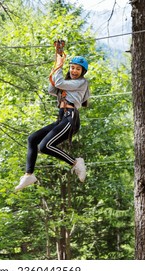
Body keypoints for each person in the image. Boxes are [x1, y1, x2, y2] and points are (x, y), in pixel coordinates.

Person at [15, 54, 90, 191]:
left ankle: (75, 162)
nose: (74, 71)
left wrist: (59, 66)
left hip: (70, 117)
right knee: (32, 139)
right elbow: (52, 89)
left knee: (44, 146)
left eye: (78, 69)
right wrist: (56, 66)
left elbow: (60, 83)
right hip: (62, 118)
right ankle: (29, 174)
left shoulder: (81, 82)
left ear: (82, 72)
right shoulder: (67, 83)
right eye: (72, 67)